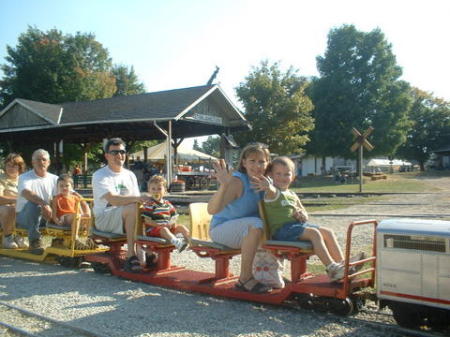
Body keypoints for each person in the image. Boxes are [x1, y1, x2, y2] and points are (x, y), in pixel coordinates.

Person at [252, 156, 363, 282]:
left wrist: (302, 214)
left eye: (286, 174)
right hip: (282, 231)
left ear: (293, 176)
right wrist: (268, 185)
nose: (282, 177)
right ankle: (331, 268)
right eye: (278, 174)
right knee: (314, 233)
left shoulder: (292, 194)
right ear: (271, 175)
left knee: (328, 232)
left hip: (296, 227)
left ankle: (342, 266)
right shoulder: (273, 193)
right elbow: (271, 190)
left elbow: (303, 210)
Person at [208, 142, 272, 294]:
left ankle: (271, 275)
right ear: (244, 162)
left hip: (245, 230)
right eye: (252, 161)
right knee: (256, 224)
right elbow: (212, 209)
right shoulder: (238, 182)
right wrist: (224, 185)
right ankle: (244, 279)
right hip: (220, 230)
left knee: (270, 227)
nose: (257, 166)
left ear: (268, 163)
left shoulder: (265, 183)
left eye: (262, 161)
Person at [92, 138, 150, 272]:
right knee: (132, 208)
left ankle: (147, 252)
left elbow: (137, 202)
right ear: (107, 156)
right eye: (114, 152)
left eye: (122, 151)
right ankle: (131, 255)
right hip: (104, 218)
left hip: (125, 214)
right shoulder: (100, 175)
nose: (119, 155)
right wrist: (139, 198)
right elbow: (113, 200)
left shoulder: (130, 175)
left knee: (148, 210)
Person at [16, 149, 59, 253]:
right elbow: (26, 192)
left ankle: (61, 240)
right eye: (38, 160)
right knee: (33, 205)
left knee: (65, 201)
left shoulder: (55, 179)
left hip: (46, 216)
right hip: (24, 218)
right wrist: (44, 204)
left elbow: (69, 193)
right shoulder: (24, 177)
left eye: (44, 160)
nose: (41, 162)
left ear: (48, 162)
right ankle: (34, 242)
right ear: (33, 162)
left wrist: (84, 205)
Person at [142, 175, 189, 252]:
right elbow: (147, 220)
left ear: (165, 191)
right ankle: (178, 243)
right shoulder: (150, 204)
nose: (156, 191)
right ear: (149, 191)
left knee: (181, 227)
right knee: (164, 229)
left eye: (159, 189)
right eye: (153, 189)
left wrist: (172, 223)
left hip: (167, 228)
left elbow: (174, 216)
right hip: (153, 231)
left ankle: (190, 242)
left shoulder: (167, 204)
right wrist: (160, 226)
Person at [0, 153, 27, 248]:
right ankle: (7, 237)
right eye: (8, 165)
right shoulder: (1, 177)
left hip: (19, 209)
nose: (10, 168)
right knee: (10, 208)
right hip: (4, 210)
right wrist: (17, 200)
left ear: (20, 167)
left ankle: (20, 236)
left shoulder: (24, 179)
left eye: (14, 166)